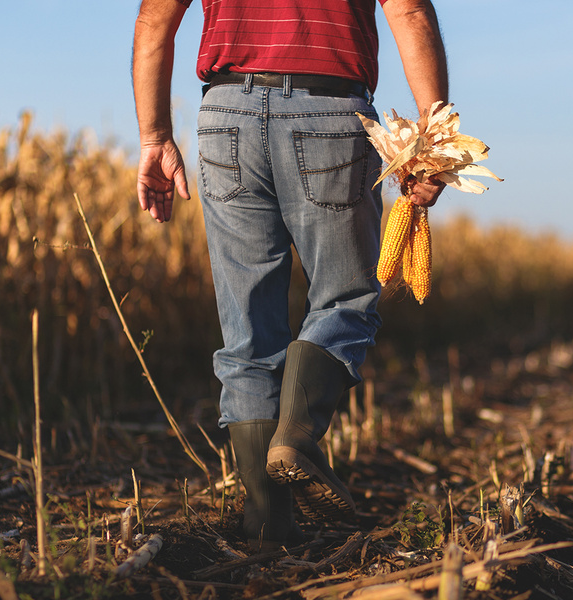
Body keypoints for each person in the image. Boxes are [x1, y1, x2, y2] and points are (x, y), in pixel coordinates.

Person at [132, 0, 448, 552]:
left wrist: (154, 135)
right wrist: (433, 138)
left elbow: (153, 19)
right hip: (329, 112)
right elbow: (410, 12)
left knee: (248, 331)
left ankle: (266, 526)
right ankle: (298, 434)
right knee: (345, 299)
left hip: (226, 114)